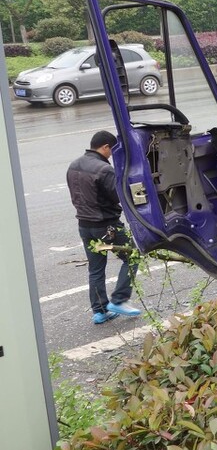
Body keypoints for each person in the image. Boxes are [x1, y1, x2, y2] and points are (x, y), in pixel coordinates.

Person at [66, 130, 141, 324]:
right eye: (111, 150)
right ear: (105, 147)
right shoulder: (104, 169)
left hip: (85, 227)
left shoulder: (73, 165)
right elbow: (118, 197)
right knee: (132, 254)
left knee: (96, 269)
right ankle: (119, 299)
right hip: (107, 227)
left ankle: (100, 312)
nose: (112, 154)